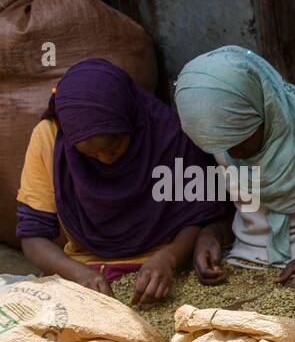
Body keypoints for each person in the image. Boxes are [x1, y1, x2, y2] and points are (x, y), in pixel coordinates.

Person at [16, 58, 227, 304]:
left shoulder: (166, 135)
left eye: (114, 148)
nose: (105, 159)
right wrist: (81, 274)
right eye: (90, 156)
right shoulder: (50, 139)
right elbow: (33, 236)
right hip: (87, 270)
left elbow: (201, 216)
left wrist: (169, 258)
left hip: (169, 266)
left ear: (131, 123)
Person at [174, 47, 295, 286]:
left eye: (240, 138)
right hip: (241, 264)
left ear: (263, 107)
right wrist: (210, 236)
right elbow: (236, 212)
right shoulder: (218, 142)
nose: (233, 153)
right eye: (221, 145)